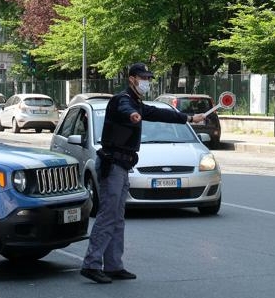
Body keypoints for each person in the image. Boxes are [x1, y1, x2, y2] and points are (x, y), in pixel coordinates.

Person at [80, 62, 206, 284]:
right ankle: (91, 264)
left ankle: (113, 266)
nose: (147, 81)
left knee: (118, 218)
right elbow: (125, 110)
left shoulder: (137, 102)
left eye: (148, 78)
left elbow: (159, 113)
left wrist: (188, 118)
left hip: (123, 165)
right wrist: (133, 116)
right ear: (132, 79)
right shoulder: (123, 100)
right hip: (113, 165)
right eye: (143, 78)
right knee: (108, 216)